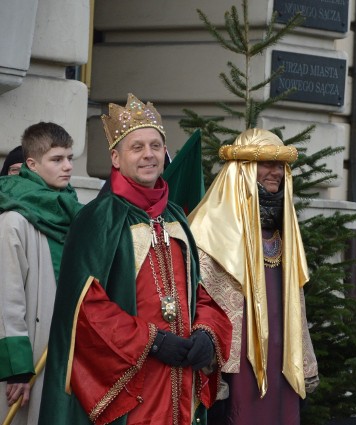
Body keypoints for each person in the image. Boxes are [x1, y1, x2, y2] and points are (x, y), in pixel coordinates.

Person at [38, 93, 232, 425]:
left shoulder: (176, 217)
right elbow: (86, 308)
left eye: (155, 146)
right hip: (130, 387)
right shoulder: (98, 218)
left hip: (179, 384)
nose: (149, 155)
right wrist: (152, 341)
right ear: (116, 158)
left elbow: (200, 291)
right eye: (137, 147)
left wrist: (206, 332)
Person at [188, 128, 319, 425]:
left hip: (280, 359)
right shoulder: (206, 228)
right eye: (266, 164)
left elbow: (294, 302)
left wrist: (305, 361)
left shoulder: (283, 225)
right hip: (236, 361)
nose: (275, 172)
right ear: (243, 169)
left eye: (280, 166)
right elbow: (198, 298)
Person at [0, 122, 81, 425]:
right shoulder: (12, 219)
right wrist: (17, 368)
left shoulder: (70, 210)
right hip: (27, 360)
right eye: (57, 160)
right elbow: (7, 299)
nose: (68, 167)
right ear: (32, 164)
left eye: (70, 158)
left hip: (64, 350)